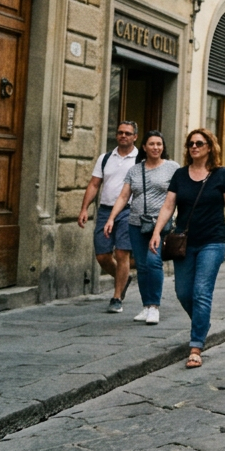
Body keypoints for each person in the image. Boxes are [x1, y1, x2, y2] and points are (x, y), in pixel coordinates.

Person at [149, 129, 225, 369]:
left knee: (201, 291)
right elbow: (169, 206)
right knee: (183, 292)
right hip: (185, 243)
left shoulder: (222, 175)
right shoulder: (180, 175)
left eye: (199, 143)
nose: (194, 147)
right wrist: (157, 231)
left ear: (210, 147)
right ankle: (202, 323)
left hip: (213, 241)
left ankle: (196, 345)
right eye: (190, 143)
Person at [105, 130, 178, 324]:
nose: (156, 147)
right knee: (143, 266)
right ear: (144, 147)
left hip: (161, 224)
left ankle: (154, 306)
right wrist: (112, 218)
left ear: (163, 147)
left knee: (154, 262)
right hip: (136, 223)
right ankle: (146, 306)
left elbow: (179, 195)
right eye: (152, 144)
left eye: (159, 144)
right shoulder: (135, 170)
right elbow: (123, 196)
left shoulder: (173, 168)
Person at [78, 121, 140, 313]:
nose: (123, 136)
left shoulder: (140, 159)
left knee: (122, 253)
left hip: (129, 210)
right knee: (102, 255)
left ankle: (116, 297)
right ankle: (124, 278)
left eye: (128, 133)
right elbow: (95, 184)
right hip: (105, 210)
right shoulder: (105, 158)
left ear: (135, 137)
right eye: (120, 132)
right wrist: (84, 208)